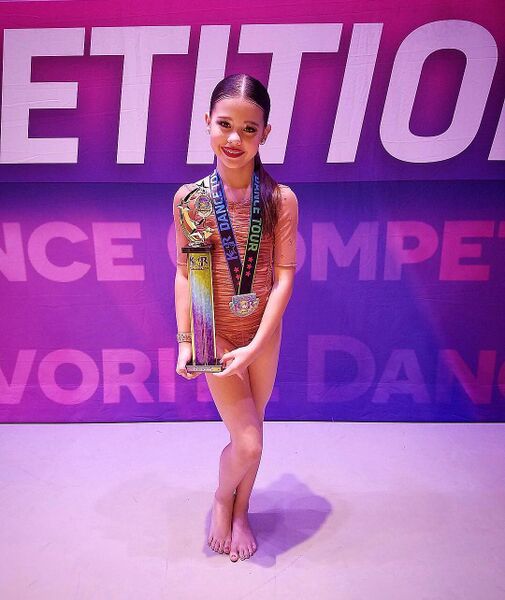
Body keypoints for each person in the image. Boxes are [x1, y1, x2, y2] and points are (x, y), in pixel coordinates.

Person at [173, 73, 298, 562]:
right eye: (225, 124)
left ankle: (242, 509)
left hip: (263, 333)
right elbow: (188, 274)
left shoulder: (280, 200)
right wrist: (188, 340)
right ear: (207, 122)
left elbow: (283, 279)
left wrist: (257, 345)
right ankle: (223, 499)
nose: (234, 138)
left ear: (265, 133)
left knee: (254, 432)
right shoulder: (192, 200)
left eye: (249, 129)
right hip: (215, 332)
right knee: (247, 443)